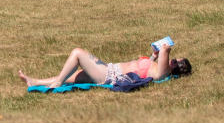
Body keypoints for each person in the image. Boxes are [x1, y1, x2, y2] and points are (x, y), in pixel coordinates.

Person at [18, 42, 191, 89]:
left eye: (175, 61)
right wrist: (152, 56)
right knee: (72, 77)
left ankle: (56, 83)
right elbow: (146, 66)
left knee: (77, 53)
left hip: (109, 75)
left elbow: (165, 53)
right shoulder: (156, 68)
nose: (171, 59)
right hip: (108, 69)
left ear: (175, 66)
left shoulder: (163, 73)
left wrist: (166, 48)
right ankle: (36, 82)